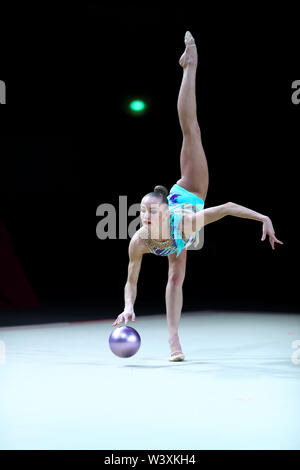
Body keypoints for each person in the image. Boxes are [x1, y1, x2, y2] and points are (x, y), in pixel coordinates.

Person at [112, 31, 284, 361]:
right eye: (142, 211)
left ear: (165, 211)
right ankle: (174, 340)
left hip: (191, 188)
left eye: (150, 210)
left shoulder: (185, 219)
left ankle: (189, 64)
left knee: (191, 128)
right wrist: (128, 306)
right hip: (176, 241)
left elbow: (230, 208)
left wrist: (263, 217)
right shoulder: (139, 241)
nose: (144, 216)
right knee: (175, 278)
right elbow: (130, 280)